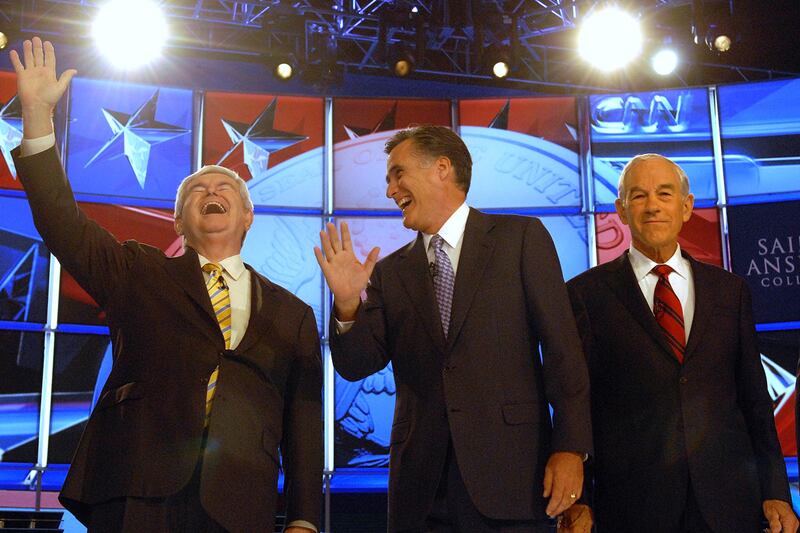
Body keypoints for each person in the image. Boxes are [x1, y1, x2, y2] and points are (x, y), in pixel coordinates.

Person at [9, 37, 321, 532]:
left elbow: (303, 421)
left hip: (242, 501)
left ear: (248, 217)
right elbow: (62, 223)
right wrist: (37, 118)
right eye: (197, 190)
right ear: (178, 222)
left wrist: (304, 518)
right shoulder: (138, 271)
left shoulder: (293, 314)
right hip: (136, 488)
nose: (212, 190)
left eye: (225, 187)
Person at [315, 125, 592, 532]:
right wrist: (346, 303)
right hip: (421, 493)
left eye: (398, 174)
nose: (390, 190)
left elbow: (562, 350)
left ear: (442, 168)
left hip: (512, 479)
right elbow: (357, 365)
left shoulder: (520, 239)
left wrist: (570, 447)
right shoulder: (391, 272)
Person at [565, 154, 798, 533]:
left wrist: (775, 491)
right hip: (632, 507)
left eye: (664, 194)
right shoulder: (584, 295)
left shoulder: (730, 292)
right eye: (638, 196)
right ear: (621, 210)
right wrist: (582, 500)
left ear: (686, 207)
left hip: (730, 503)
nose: (652, 206)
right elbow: (578, 405)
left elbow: (755, 401)